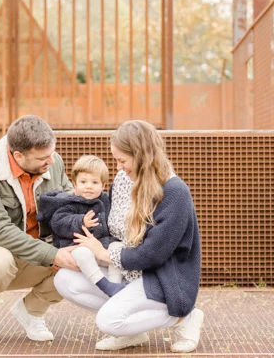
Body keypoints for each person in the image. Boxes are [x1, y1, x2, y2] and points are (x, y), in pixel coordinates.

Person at [54, 120, 205, 353]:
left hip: (160, 277)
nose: (119, 167)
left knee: (108, 321)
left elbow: (152, 255)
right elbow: (111, 228)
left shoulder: (175, 192)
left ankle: (184, 317)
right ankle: (132, 331)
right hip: (124, 269)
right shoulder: (123, 181)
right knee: (64, 279)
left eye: (122, 160)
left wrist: (104, 253)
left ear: (142, 156)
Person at [0, 115, 81, 348]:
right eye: (42, 157)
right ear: (18, 155)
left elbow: (68, 208)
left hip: (32, 252)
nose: (51, 161)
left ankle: (31, 312)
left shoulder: (54, 162)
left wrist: (69, 246)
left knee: (79, 261)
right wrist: (50, 254)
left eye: (52, 153)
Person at [37, 155, 126, 297]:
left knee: (118, 248)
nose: (89, 186)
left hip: (102, 246)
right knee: (82, 253)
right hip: (76, 247)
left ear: (103, 186)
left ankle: (115, 284)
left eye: (95, 182)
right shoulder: (70, 202)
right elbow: (58, 222)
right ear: (74, 184)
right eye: (83, 182)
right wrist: (81, 221)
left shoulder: (105, 201)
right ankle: (104, 285)